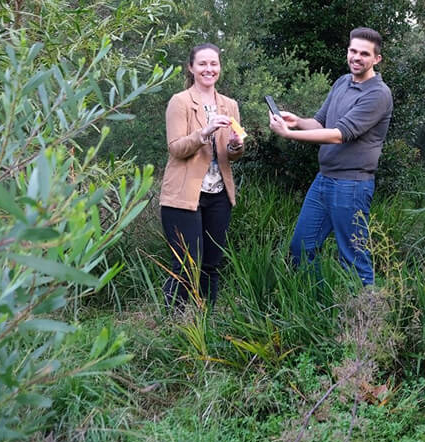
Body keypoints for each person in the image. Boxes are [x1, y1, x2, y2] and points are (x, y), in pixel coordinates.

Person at [269, 27, 393, 285]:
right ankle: (316, 308)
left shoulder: (378, 94)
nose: (356, 57)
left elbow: (339, 134)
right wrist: (297, 121)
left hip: (352, 185)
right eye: (353, 51)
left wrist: (288, 135)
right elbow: (321, 124)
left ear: (376, 59)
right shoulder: (341, 82)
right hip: (324, 180)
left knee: (353, 257)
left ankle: (365, 319)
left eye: (364, 54)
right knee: (301, 247)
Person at [160, 43, 244, 307]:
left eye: (214, 64)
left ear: (220, 67)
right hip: (184, 195)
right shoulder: (180, 102)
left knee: (211, 264)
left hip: (219, 193)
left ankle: (207, 322)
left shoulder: (229, 105)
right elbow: (176, 148)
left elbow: (232, 154)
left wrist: (235, 146)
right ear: (191, 68)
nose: (209, 69)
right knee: (187, 264)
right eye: (203, 64)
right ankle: (176, 322)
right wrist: (204, 132)